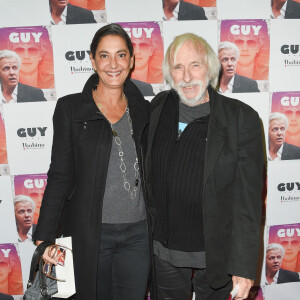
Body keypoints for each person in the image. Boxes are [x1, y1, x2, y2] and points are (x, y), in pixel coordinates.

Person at [33, 24, 151, 300]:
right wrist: (44, 237)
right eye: (104, 55)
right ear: (92, 59)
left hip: (138, 236)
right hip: (86, 234)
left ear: (132, 60)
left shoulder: (145, 110)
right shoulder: (70, 108)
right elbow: (60, 174)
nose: (113, 64)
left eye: (121, 55)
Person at [145, 33, 264, 300]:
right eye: (178, 67)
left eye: (195, 65)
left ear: (210, 68)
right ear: (169, 74)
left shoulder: (241, 119)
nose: (187, 77)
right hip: (163, 253)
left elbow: (248, 203)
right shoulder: (157, 108)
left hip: (216, 256)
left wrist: (244, 268)